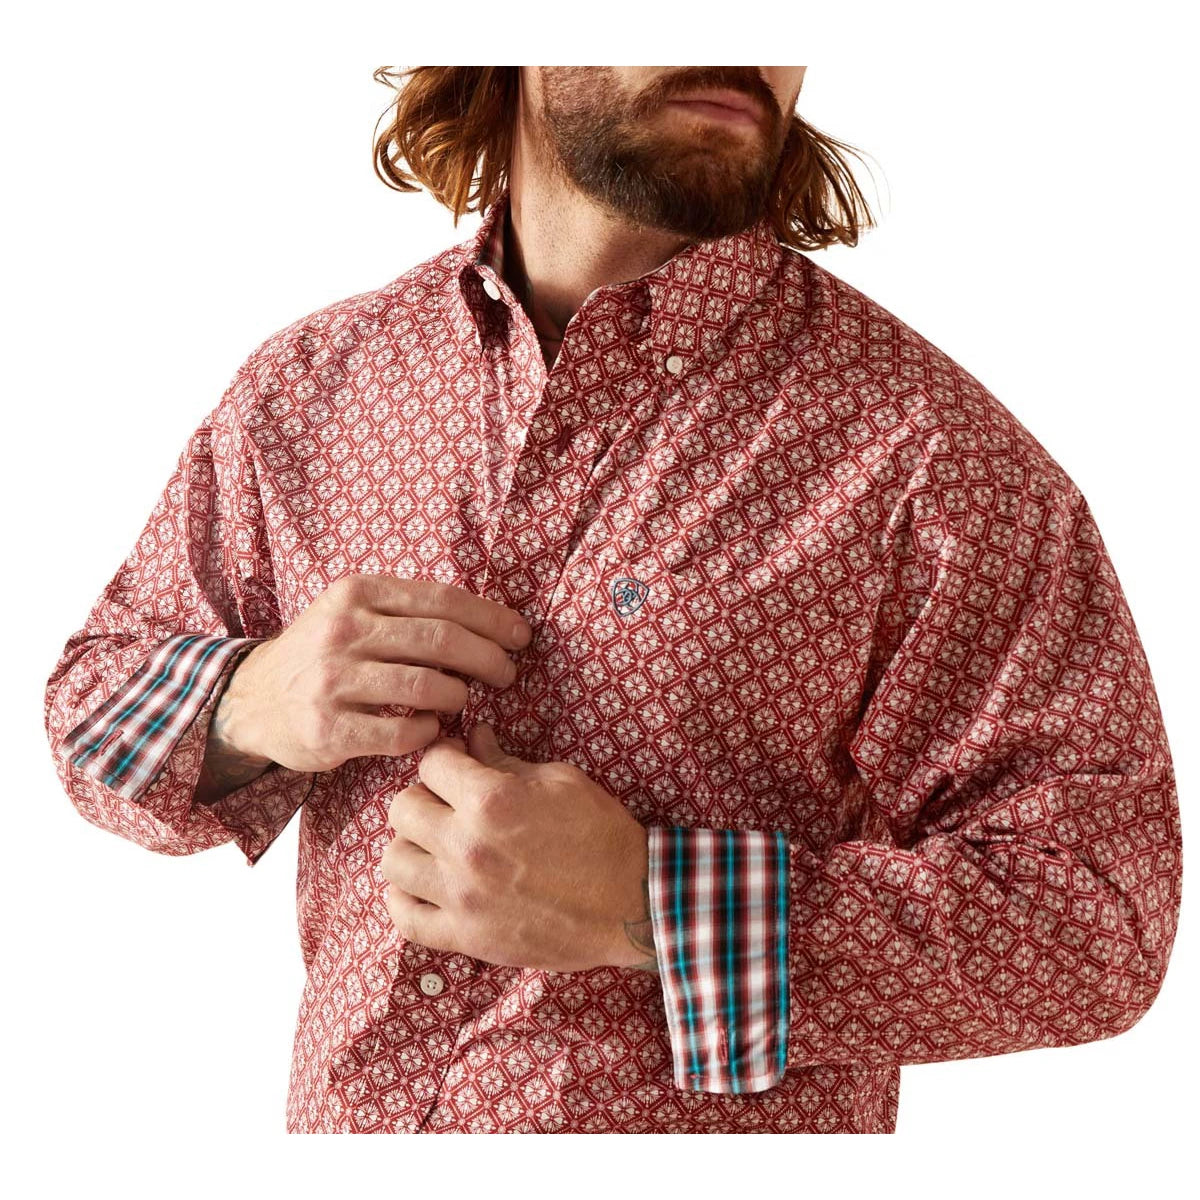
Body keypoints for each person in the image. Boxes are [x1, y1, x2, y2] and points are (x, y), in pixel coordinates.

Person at [43, 65, 1182, 1135]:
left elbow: (1103, 917)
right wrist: (251, 701)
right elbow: (92, 716)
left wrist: (651, 905)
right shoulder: (314, 387)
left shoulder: (935, 459)